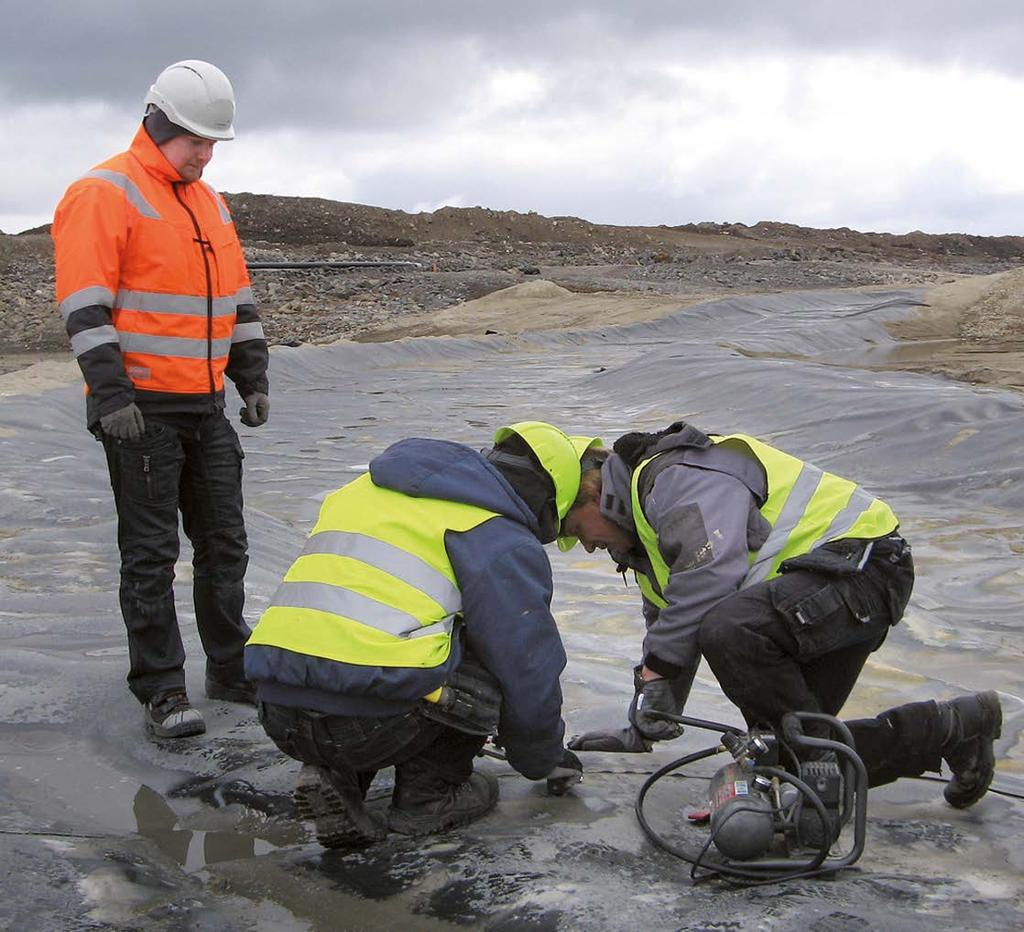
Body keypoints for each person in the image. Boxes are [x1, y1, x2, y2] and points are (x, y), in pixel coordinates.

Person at [563, 421, 1002, 809]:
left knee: (732, 635)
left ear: (596, 494)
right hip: (819, 595)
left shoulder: (673, 478)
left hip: (862, 567)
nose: (585, 546)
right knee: (791, 748)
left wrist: (658, 669)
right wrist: (643, 725)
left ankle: (826, 776)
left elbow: (710, 575)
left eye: (577, 529)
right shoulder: (644, 544)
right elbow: (672, 628)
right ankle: (953, 727)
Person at [52, 60, 269, 739]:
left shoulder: (209, 202)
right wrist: (110, 395)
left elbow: (237, 300)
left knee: (224, 544)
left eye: (213, 143)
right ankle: (162, 689)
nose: (205, 154)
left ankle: (230, 669)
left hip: (203, 405)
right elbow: (85, 305)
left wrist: (252, 375)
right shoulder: (103, 192)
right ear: (158, 123)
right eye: (196, 141)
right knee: (150, 553)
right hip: (139, 411)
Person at [245, 422, 591, 847]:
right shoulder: (495, 534)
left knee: (377, 643)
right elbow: (528, 666)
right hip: (368, 726)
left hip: (278, 711)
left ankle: (337, 774)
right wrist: (541, 758)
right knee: (487, 650)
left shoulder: (361, 491)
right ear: (550, 500)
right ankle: (430, 796)